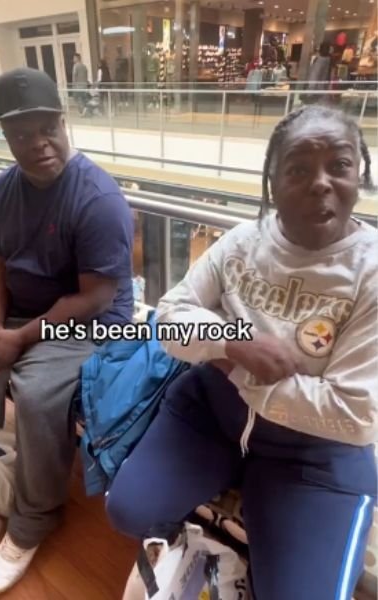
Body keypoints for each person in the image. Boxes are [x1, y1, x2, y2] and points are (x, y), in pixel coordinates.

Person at [105, 105, 376, 599]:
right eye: (298, 169)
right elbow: (170, 315)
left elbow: (354, 414)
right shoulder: (242, 242)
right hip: (211, 416)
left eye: (339, 164)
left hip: (314, 456)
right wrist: (234, 342)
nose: (321, 183)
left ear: (361, 171)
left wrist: (230, 364)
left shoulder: (370, 272)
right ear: (273, 181)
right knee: (129, 511)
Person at [0, 68, 134, 595]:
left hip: (88, 322)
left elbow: (96, 297)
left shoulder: (98, 199)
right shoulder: (4, 188)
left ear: (64, 123)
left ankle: (33, 519)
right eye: (23, 133)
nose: (39, 143)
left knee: (40, 394)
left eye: (48, 128)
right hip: (21, 305)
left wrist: (20, 339)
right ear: (6, 136)